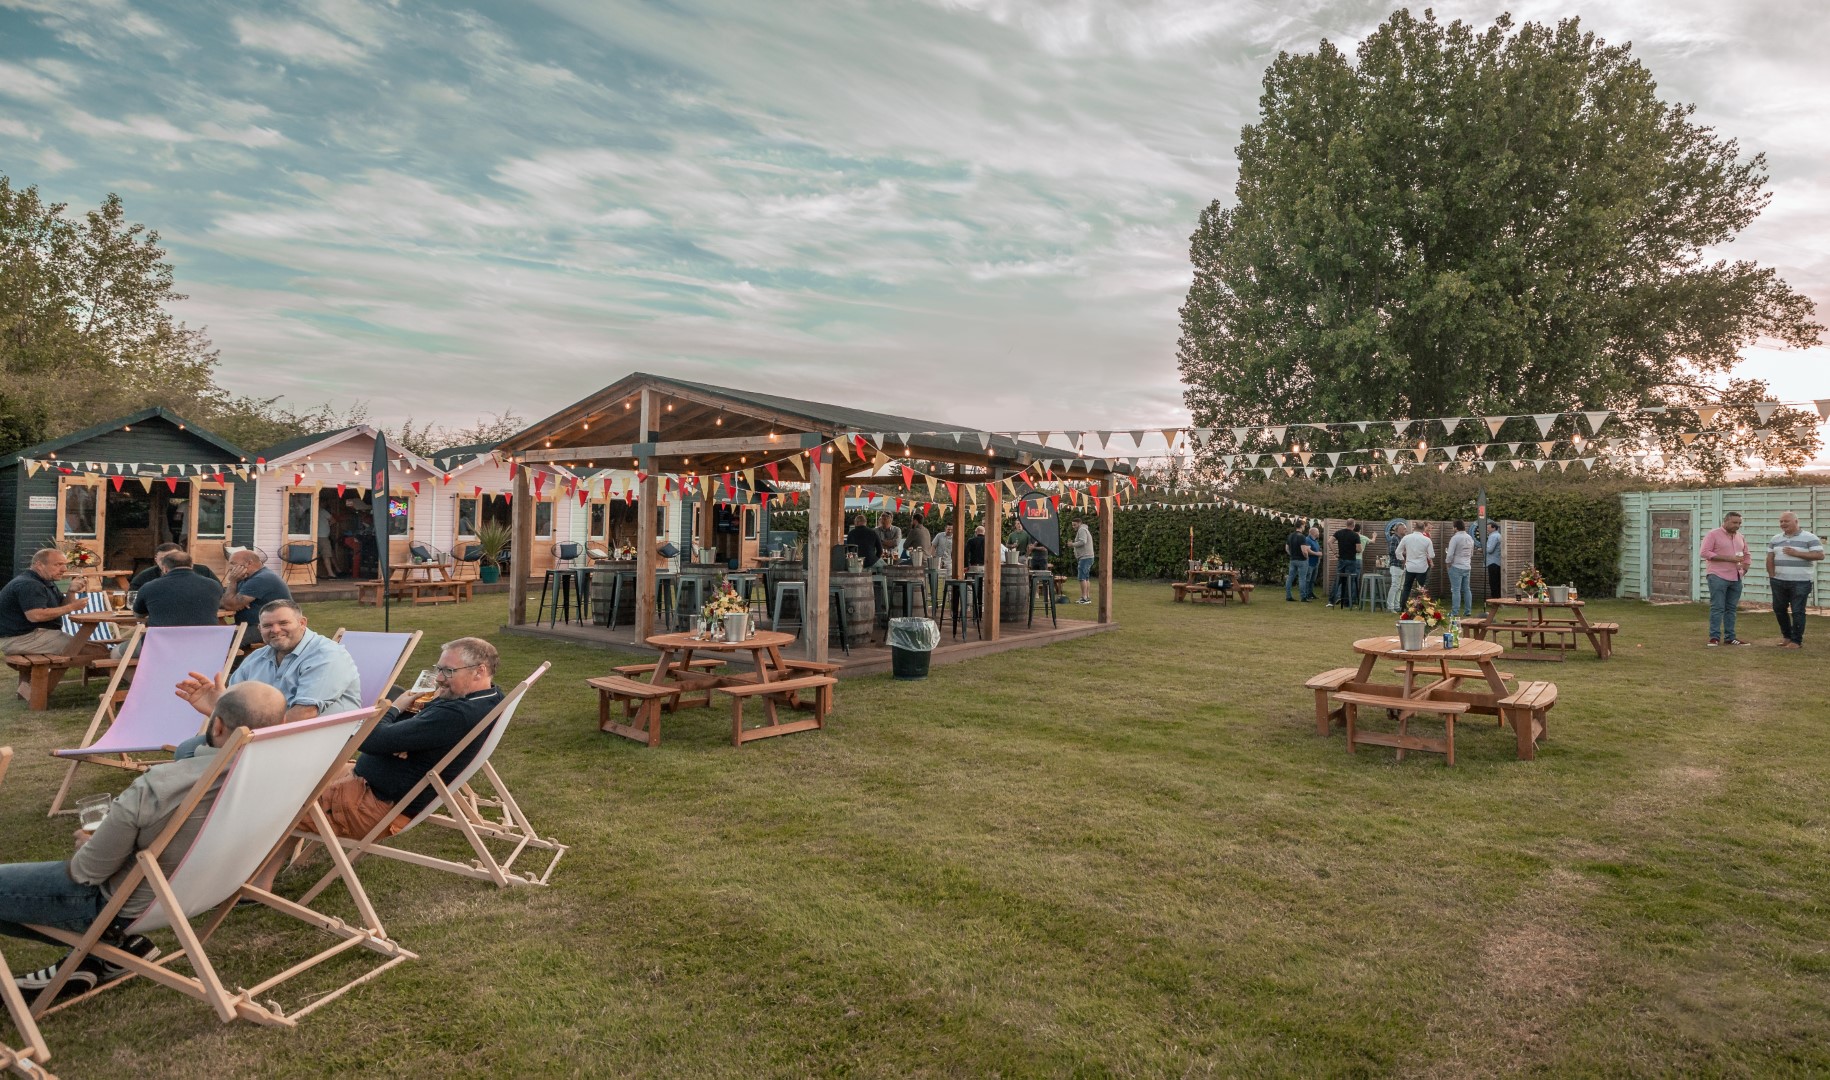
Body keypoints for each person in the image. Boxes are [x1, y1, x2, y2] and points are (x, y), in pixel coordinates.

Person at [5, 682, 287, 998]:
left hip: (121, 908)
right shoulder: (285, 774)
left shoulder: (161, 786)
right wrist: (226, 715)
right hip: (207, 890)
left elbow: (88, 873)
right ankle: (104, 957)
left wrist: (87, 844)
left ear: (218, 725)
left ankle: (104, 945)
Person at [310, 637, 505, 839]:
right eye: (439, 669)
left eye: (448, 671)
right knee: (304, 775)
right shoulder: (490, 697)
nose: (439, 679)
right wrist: (402, 739)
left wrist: (394, 708)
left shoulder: (456, 715)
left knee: (290, 802)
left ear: (479, 671)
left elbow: (369, 740)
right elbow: (419, 721)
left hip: (367, 806)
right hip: (364, 785)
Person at [171, 600, 363, 760]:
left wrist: (251, 738)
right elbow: (239, 707)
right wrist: (218, 707)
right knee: (187, 751)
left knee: (203, 757)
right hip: (263, 735)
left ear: (302, 623)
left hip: (316, 736)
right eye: (267, 626)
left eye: (283, 623)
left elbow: (304, 713)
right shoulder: (257, 658)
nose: (275, 630)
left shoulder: (327, 655)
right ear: (260, 629)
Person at [0, 549, 111, 675]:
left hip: (34, 636)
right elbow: (35, 616)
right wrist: (72, 607)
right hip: (22, 639)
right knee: (98, 652)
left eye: (65, 564)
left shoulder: (43, 581)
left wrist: (71, 591)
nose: (64, 569)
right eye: (58, 564)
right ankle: (120, 679)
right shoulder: (29, 584)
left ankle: (109, 676)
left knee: (100, 648)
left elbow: (62, 605)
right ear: (39, 565)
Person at [1765, 511, 1823, 649]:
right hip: (1778, 580)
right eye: (1781, 521)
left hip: (1800, 581)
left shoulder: (1810, 537)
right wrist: (1772, 576)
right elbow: (1770, 558)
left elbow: (1820, 555)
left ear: (1796, 522)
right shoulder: (1775, 539)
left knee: (1797, 611)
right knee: (1779, 609)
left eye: (1786, 521)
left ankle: (1796, 641)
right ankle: (1787, 637)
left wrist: (1796, 553)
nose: (1783, 524)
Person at [132, 549, 224, 629]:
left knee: (125, 645)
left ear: (164, 568)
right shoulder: (213, 585)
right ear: (192, 566)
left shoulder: (149, 587)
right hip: (205, 641)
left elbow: (138, 614)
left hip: (162, 641)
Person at [1701, 511, 1753, 646]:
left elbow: (1747, 554)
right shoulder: (1713, 534)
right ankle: (1714, 637)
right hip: (1717, 576)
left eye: (1739, 523)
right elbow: (1704, 552)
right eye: (1734, 522)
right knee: (1717, 607)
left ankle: (1730, 637)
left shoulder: (1740, 537)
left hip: (1736, 577)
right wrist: (1729, 558)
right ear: (1725, 521)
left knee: (1731, 608)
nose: (1737, 525)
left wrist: (1745, 568)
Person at [220, 549, 292, 636]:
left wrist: (232, 582)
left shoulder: (261, 578)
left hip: (269, 627)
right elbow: (225, 601)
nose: (230, 568)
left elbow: (230, 605)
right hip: (250, 625)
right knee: (214, 633)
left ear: (249, 563)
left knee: (221, 639)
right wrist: (234, 602)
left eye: (233, 563)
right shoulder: (244, 578)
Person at [127, 544, 220, 591]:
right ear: (156, 560)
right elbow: (132, 601)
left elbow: (220, 592)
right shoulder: (144, 577)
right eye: (163, 559)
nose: (168, 562)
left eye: (173, 558)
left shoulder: (203, 571)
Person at [1396, 521, 1435, 608]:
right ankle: (1422, 608)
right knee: (1422, 589)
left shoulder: (1406, 538)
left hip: (1410, 567)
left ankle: (1403, 607)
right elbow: (1432, 555)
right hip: (1422, 568)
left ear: (1414, 528)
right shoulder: (1427, 540)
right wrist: (1426, 555)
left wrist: (1403, 560)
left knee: (1407, 588)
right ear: (1423, 529)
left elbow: (1398, 552)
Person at [1445, 520, 1475, 619]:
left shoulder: (1455, 538)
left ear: (1456, 527)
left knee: (1455, 590)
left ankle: (1455, 612)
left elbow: (1450, 553)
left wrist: (1448, 563)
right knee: (1467, 589)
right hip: (1467, 566)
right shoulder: (1470, 537)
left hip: (1456, 565)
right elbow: (1471, 553)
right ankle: (1468, 611)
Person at [1330, 521, 1362, 609]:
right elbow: (1359, 549)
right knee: (1350, 581)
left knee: (1338, 580)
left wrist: (1335, 553)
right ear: (1353, 525)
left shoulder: (1339, 533)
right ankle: (1347, 602)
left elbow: (1329, 542)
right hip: (1351, 560)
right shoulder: (1355, 535)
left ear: (1346, 524)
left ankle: (1331, 601)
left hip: (1341, 559)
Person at [1071, 517, 1095, 604]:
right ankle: (1087, 597)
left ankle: (1084, 598)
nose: (1073, 527)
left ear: (1079, 523)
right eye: (1072, 525)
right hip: (1088, 557)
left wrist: (1072, 544)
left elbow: (1083, 542)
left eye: (1075, 525)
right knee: (1086, 578)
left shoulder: (1082, 530)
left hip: (1085, 557)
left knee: (1081, 578)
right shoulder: (1084, 529)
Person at [1386, 523, 1408, 613]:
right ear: (1398, 529)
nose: (1406, 530)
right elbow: (1392, 551)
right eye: (1404, 529)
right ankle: (1390, 607)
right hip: (1396, 565)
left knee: (1400, 587)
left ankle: (1397, 606)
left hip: (1403, 565)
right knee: (1395, 586)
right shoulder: (1394, 538)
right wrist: (1405, 553)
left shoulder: (1403, 539)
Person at [1283, 526, 1308, 602]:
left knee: (1290, 578)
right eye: (1304, 526)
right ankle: (1303, 597)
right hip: (1302, 560)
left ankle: (1288, 596)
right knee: (1302, 579)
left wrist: (1292, 555)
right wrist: (1306, 557)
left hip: (1293, 560)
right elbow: (1304, 550)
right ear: (1301, 526)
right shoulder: (1302, 536)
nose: (1304, 527)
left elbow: (1287, 548)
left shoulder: (1290, 536)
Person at [1302, 526, 1323, 601]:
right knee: (1308, 580)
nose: (1319, 533)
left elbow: (1316, 549)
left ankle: (1310, 593)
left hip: (1315, 563)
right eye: (1318, 532)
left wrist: (1320, 553)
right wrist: (1317, 554)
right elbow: (1307, 550)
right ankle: (1305, 595)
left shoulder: (1315, 540)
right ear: (1313, 533)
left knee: (1312, 580)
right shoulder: (1307, 540)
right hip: (1309, 563)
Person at [1485, 523, 1504, 598]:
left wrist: (1482, 549)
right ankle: (1498, 599)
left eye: (1488, 528)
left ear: (1494, 528)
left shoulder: (1493, 536)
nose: (1487, 529)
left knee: (1493, 582)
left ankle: (1494, 600)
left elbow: (1490, 550)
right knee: (1497, 582)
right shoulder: (1499, 535)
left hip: (1492, 562)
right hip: (1498, 562)